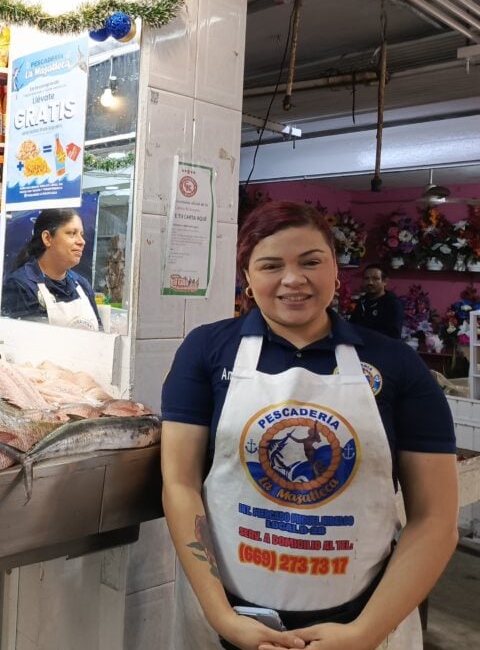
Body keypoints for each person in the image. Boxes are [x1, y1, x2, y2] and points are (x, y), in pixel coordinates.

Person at [160, 200, 457, 650]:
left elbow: (435, 519)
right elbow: (180, 485)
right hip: (230, 624)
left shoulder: (397, 365)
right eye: (271, 264)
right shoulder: (207, 350)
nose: (293, 279)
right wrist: (221, 616)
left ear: (336, 270)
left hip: (360, 623)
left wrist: (366, 632)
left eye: (311, 261)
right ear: (247, 276)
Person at [2, 208, 101, 330]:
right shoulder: (20, 286)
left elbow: (100, 335)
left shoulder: (82, 285)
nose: (82, 242)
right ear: (47, 238)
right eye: (72, 233)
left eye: (81, 234)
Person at [350, 263, 404, 339]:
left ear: (385, 281)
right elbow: (351, 326)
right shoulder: (362, 302)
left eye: (375, 278)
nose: (370, 282)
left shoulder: (393, 304)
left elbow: (394, 335)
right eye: (366, 278)